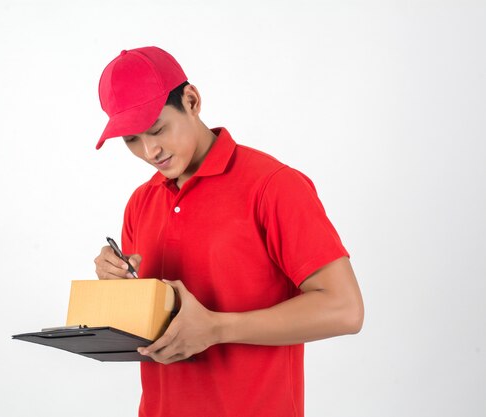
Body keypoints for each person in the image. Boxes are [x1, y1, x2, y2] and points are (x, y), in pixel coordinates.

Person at [93, 46, 364, 417]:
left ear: (191, 100)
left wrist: (217, 328)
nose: (150, 150)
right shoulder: (140, 203)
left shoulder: (273, 186)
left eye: (157, 130)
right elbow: (156, 326)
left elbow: (345, 309)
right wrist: (118, 287)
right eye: (131, 141)